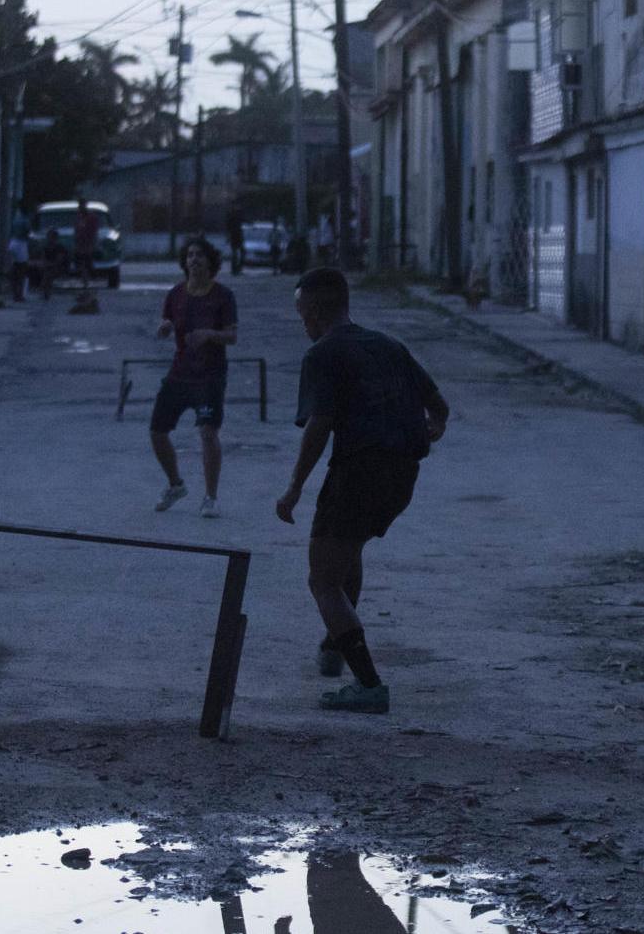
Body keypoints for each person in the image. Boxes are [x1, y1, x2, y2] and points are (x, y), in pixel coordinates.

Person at [275, 267, 449, 714]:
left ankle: (369, 684)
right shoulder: (389, 345)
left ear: (313, 310)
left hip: (359, 472)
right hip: (402, 476)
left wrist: (294, 487)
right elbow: (438, 404)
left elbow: (319, 425)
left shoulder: (323, 355)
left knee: (323, 579)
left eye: (301, 315)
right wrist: (434, 426)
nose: (302, 325)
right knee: (348, 553)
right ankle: (335, 646)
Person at [151, 237, 239, 518]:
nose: (194, 260)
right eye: (190, 256)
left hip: (209, 376)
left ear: (211, 262)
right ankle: (175, 484)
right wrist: (165, 327)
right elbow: (168, 322)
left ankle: (210, 497)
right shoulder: (176, 294)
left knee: (207, 432)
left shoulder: (223, 296)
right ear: (184, 262)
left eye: (200, 255)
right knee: (157, 431)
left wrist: (210, 335)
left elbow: (232, 336)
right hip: (179, 373)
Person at [73, 204, 100, 287]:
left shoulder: (91, 217)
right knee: (82, 262)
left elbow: (94, 230)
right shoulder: (79, 218)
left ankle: (88, 278)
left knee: (86, 261)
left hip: (88, 242)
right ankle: (85, 280)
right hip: (81, 243)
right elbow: (77, 229)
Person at [41, 229, 67, 301]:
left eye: (51, 237)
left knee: (48, 275)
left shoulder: (59, 247)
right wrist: (46, 264)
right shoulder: (46, 247)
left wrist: (50, 264)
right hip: (48, 266)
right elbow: (43, 258)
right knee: (46, 275)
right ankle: (46, 292)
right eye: (48, 236)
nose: (49, 238)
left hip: (58, 267)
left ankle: (47, 292)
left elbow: (59, 260)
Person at [225, 202, 246, 276]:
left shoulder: (237, 215)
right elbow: (228, 227)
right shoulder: (233, 215)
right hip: (235, 236)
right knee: (236, 254)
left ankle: (237, 268)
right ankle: (235, 269)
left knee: (239, 253)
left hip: (237, 236)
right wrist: (228, 236)